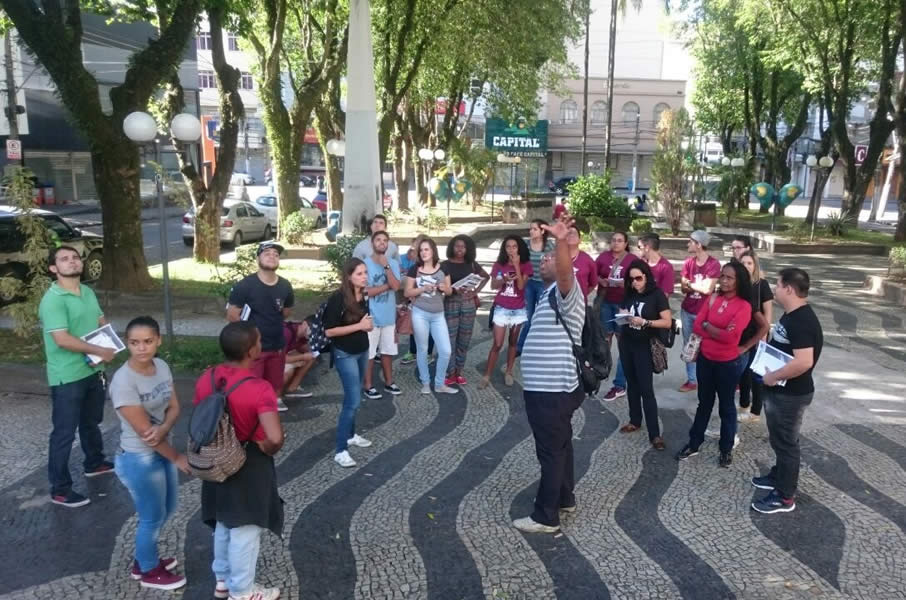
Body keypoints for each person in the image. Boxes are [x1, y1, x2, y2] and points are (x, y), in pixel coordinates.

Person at [197, 322, 284, 600]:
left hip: (214, 458)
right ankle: (243, 590)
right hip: (249, 462)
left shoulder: (206, 377)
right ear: (251, 350)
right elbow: (274, 437)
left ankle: (222, 579)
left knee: (223, 520)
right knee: (246, 529)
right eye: (258, 340)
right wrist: (267, 446)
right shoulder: (260, 389)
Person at [513, 211, 585, 534]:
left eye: (549, 259)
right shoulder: (545, 295)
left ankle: (546, 516)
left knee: (550, 451)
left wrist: (559, 242)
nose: (543, 261)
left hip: (552, 390)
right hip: (551, 389)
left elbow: (566, 275)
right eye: (541, 260)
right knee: (562, 444)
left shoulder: (565, 293)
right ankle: (566, 497)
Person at [110, 316, 189, 590]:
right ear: (127, 344)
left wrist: (165, 425)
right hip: (138, 458)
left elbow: (175, 407)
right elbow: (147, 436)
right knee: (151, 517)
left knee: (167, 509)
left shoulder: (162, 366)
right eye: (134, 343)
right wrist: (177, 457)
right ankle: (148, 571)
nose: (141, 348)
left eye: (147, 341)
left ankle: (144, 557)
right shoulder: (123, 382)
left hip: (161, 449)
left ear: (158, 340)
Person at [39, 245, 117, 508]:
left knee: (91, 422)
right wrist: (99, 350)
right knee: (64, 433)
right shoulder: (53, 299)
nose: (72, 262)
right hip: (67, 376)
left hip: (93, 370)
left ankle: (94, 463)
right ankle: (59, 489)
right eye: (64, 259)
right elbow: (61, 339)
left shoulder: (87, 292)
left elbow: (100, 321)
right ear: (53, 268)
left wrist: (111, 343)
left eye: (75, 258)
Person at [752, 268, 823, 514]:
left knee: (786, 443)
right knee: (779, 439)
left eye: (778, 286)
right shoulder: (792, 315)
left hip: (791, 394)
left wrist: (774, 375)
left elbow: (804, 361)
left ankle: (785, 497)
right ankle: (779, 476)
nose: (775, 290)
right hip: (780, 391)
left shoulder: (803, 320)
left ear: (789, 289)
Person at [676, 261, 753, 468]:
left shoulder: (744, 306)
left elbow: (731, 338)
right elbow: (697, 326)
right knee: (704, 404)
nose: (724, 280)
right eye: (723, 276)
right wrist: (714, 329)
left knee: (727, 407)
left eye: (730, 277)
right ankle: (694, 443)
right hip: (705, 360)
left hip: (727, 364)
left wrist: (709, 326)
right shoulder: (712, 299)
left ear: (740, 281)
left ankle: (726, 448)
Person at [227, 241, 295, 412]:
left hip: (277, 346)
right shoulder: (245, 286)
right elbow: (232, 315)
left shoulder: (285, 285)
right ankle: (252, 425)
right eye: (267, 253)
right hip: (253, 349)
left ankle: (270, 417)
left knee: (274, 387)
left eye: (276, 254)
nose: (272, 256)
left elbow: (286, 311)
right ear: (258, 258)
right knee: (252, 389)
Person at [324, 258, 375, 467]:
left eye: (365, 273)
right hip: (344, 353)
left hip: (362, 350)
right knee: (352, 401)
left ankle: (351, 435)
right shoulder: (338, 299)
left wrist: (366, 327)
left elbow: (364, 323)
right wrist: (359, 327)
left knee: (355, 396)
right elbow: (329, 331)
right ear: (349, 276)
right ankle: (340, 450)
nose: (365, 277)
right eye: (360, 274)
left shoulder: (363, 295)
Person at [616, 260, 672, 450]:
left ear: (646, 276)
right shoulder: (629, 294)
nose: (635, 283)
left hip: (645, 345)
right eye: (631, 279)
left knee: (646, 389)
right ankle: (635, 420)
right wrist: (622, 315)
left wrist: (645, 322)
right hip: (627, 343)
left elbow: (667, 322)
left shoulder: (656, 295)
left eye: (638, 278)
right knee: (632, 384)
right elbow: (623, 311)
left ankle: (655, 434)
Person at [404, 237, 457, 394]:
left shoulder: (444, 268)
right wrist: (422, 289)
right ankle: (426, 382)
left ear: (433, 250)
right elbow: (407, 292)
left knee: (445, 351)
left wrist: (443, 288)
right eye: (421, 250)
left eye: (426, 249)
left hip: (438, 314)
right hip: (420, 313)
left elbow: (450, 290)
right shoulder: (415, 269)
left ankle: (439, 384)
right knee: (423, 349)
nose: (423, 252)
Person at [480, 235, 532, 389]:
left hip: (518, 309)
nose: (511, 249)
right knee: (497, 343)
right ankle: (487, 375)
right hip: (501, 307)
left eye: (514, 246)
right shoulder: (499, 264)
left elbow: (522, 287)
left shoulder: (526, 265)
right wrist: (504, 279)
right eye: (508, 246)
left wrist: (516, 266)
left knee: (513, 342)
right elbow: (493, 286)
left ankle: (509, 371)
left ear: (519, 248)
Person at [441, 235, 489, 386]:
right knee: (450, 339)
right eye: (457, 246)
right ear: (452, 247)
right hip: (451, 303)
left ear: (468, 249)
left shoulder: (472, 264)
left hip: (468, 304)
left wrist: (475, 292)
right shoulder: (445, 265)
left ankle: (459, 372)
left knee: (464, 339)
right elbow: (440, 285)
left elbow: (486, 276)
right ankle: (450, 373)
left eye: (463, 246)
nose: (460, 249)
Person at [678, 230, 721, 392]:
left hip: (705, 312)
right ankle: (692, 380)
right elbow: (683, 287)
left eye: (690, 241)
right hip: (687, 309)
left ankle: (707, 378)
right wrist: (695, 286)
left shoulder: (713, 264)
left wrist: (692, 285)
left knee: (706, 345)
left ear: (699, 244)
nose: (687, 244)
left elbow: (708, 289)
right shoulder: (688, 263)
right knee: (689, 344)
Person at [363, 231, 403, 399]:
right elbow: (366, 291)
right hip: (371, 316)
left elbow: (396, 286)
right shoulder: (364, 264)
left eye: (385, 240)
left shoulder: (392, 263)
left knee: (387, 352)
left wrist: (386, 266)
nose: (382, 243)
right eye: (378, 240)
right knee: (370, 354)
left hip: (388, 316)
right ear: (372, 243)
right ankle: (368, 385)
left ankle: (389, 382)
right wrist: (386, 286)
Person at [596, 231, 636, 401]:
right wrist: (601, 280)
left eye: (620, 241)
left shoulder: (632, 260)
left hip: (623, 306)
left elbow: (639, 280)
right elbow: (593, 274)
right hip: (605, 302)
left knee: (622, 341)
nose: (616, 243)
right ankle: (602, 368)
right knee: (605, 338)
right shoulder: (603, 257)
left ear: (626, 243)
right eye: (613, 240)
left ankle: (620, 383)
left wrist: (624, 283)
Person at [736, 250, 773, 423]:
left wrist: (764, 336)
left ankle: (756, 411)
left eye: (749, 263)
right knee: (743, 372)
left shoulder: (761, 285)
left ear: (755, 266)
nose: (746, 266)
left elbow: (768, 312)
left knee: (755, 374)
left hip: (758, 334)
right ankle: (744, 403)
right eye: (743, 263)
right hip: (741, 334)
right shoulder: (736, 284)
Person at [517, 220, 556, 354]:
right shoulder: (525, 244)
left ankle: (536, 346)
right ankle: (520, 347)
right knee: (528, 316)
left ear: (542, 231)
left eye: (534, 229)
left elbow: (554, 263)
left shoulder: (549, 245)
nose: (531, 231)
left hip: (543, 284)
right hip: (528, 283)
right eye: (531, 229)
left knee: (540, 316)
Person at [400, 235, 432, 365]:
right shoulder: (414, 263)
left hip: (429, 301)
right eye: (417, 246)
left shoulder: (433, 263)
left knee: (428, 328)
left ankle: (428, 353)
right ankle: (413, 352)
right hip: (414, 300)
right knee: (414, 327)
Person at [282, 319, 316, 399]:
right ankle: (276, 397)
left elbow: (302, 347)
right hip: (273, 358)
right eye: (310, 327)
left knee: (312, 356)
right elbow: (281, 358)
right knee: (288, 371)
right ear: (304, 323)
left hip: (285, 355)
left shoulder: (303, 335)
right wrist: (302, 357)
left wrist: (311, 350)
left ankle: (292, 388)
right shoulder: (287, 332)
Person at [566, 224, 598, 299]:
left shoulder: (588, 260)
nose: (571, 235)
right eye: (568, 233)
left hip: (580, 303)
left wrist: (582, 294)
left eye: (574, 233)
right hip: (558, 303)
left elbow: (593, 284)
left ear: (580, 240)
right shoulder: (556, 257)